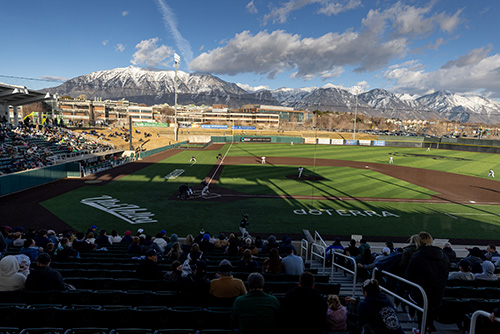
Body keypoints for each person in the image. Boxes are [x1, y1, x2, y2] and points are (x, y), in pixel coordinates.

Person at [405, 232, 448, 334]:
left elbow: (409, 275)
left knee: (422, 310)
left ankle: (422, 329)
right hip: (438, 290)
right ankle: (427, 327)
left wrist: (410, 290)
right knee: (431, 309)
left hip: (422, 290)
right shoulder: (444, 256)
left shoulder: (417, 256)